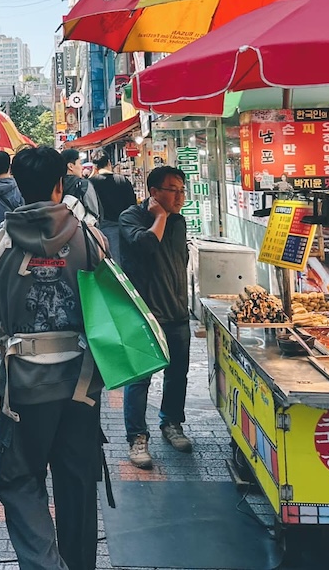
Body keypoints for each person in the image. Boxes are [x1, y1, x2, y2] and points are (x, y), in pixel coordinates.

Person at [0, 146, 106, 570]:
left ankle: (44, 563)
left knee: (19, 479)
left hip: (22, 391)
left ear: (18, 185)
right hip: (81, 385)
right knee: (78, 483)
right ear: (59, 185)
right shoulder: (89, 237)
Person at [119, 165, 192, 469]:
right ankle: (137, 437)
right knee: (139, 379)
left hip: (176, 312)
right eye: (173, 189)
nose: (180, 196)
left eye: (182, 190)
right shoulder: (131, 217)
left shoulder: (180, 222)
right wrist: (160, 217)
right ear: (154, 192)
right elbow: (146, 245)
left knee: (177, 376)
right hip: (145, 315)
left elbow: (180, 261)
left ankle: (171, 423)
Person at [89, 150, 137, 264]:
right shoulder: (122, 180)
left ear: (95, 166)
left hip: (98, 228)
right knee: (119, 263)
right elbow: (132, 205)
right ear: (109, 163)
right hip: (122, 227)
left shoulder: (90, 183)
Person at [60, 148, 101, 221]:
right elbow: (95, 211)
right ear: (70, 166)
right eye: (80, 163)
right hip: (80, 229)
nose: (82, 167)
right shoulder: (84, 184)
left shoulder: (56, 185)